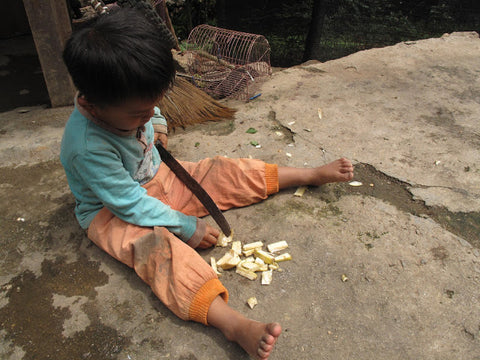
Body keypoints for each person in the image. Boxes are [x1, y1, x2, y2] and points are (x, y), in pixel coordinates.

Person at [60, 9, 354, 359]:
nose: (147, 116)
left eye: (153, 105)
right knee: (157, 251)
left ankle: (306, 175)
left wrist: (160, 128)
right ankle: (232, 323)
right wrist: (184, 225)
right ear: (91, 104)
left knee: (220, 171)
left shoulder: (132, 98)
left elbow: (153, 110)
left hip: (158, 176)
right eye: (138, 115)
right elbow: (129, 204)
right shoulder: (86, 147)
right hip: (111, 212)